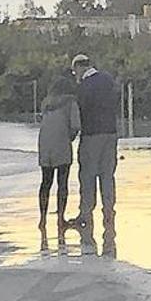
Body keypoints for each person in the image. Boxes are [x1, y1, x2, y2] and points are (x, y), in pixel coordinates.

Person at [68, 54, 119, 258]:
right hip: (111, 133)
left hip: (91, 135)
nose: (75, 76)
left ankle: (86, 213)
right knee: (108, 175)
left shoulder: (83, 87)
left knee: (88, 175)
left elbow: (79, 112)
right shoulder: (108, 80)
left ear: (79, 68)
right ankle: (109, 211)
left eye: (75, 72)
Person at [37, 75, 81, 253]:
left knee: (46, 182)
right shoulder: (70, 103)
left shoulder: (46, 103)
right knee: (62, 183)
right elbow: (76, 124)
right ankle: (60, 218)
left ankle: (42, 218)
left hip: (44, 143)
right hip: (61, 143)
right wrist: (70, 137)